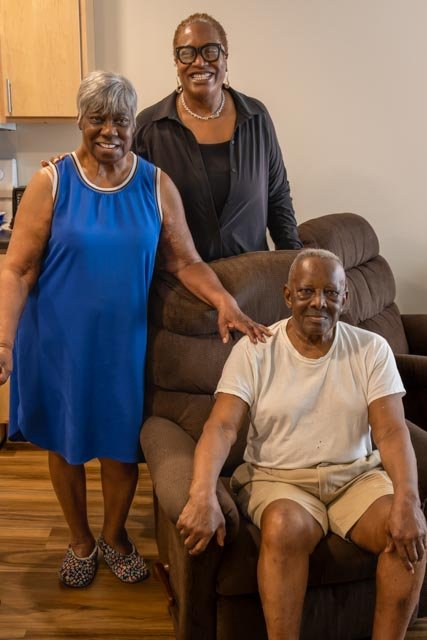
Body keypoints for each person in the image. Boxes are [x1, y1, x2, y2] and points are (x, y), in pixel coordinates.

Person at [0, 70, 270, 590]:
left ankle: (115, 536)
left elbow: (185, 261)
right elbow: (16, 268)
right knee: (66, 444)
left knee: (120, 447)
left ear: (133, 124)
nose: (109, 130)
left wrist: (224, 300)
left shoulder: (154, 182)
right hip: (57, 341)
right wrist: (6, 341)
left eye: (119, 119)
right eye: (96, 118)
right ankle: (80, 542)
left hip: (123, 344)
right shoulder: (52, 180)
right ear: (80, 121)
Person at [176, 249, 427, 640]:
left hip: (355, 477)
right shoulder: (256, 349)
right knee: (283, 527)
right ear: (288, 295)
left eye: (331, 292)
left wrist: (408, 499)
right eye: (307, 291)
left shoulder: (371, 349)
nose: (319, 302)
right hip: (279, 479)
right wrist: (202, 492)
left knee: (410, 535)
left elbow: (392, 431)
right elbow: (222, 427)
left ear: (345, 298)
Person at [133, 13, 302, 262]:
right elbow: (124, 197)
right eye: (187, 53)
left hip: (252, 283)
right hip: (182, 288)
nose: (199, 62)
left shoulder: (256, 117)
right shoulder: (150, 127)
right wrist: (69, 166)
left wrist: (293, 263)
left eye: (210, 51)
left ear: (225, 58)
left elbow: (277, 198)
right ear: (176, 62)